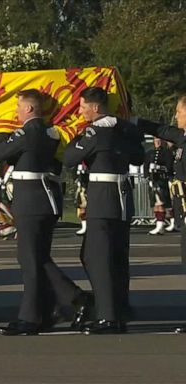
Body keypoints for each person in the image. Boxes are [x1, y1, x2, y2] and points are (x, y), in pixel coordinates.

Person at [0, 89, 92, 336]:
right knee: (38, 257)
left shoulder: (28, 132)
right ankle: (50, 309)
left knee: (30, 259)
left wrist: (1, 134)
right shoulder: (51, 131)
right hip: (44, 198)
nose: (15, 112)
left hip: (32, 200)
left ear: (29, 109)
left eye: (18, 107)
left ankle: (40, 313)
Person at [64, 87, 145, 334]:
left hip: (103, 197)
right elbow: (138, 157)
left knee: (97, 257)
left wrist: (78, 138)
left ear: (96, 108)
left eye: (83, 106)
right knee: (117, 256)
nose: (80, 111)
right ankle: (119, 308)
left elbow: (69, 158)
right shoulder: (124, 128)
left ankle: (107, 315)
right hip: (122, 197)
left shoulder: (95, 131)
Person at [137, 95, 186, 333]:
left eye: (179, 111)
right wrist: (134, 120)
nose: (176, 115)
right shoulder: (182, 137)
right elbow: (163, 130)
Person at [144, 137, 173, 235]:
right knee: (155, 203)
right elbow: (146, 166)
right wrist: (147, 177)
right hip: (153, 180)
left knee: (161, 203)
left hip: (162, 180)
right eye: (156, 140)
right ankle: (159, 226)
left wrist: (159, 167)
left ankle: (160, 226)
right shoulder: (150, 153)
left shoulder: (166, 153)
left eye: (159, 140)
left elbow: (169, 167)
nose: (158, 142)